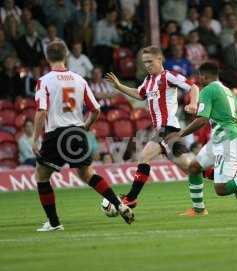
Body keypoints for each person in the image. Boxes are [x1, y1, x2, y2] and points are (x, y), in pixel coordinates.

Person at [33, 41, 133, 231]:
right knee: (87, 174)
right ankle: (119, 204)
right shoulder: (79, 79)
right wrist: (84, 127)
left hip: (56, 133)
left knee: (42, 176)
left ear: (47, 58)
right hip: (76, 132)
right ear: (66, 56)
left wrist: (35, 139)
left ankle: (54, 223)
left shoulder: (44, 81)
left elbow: (41, 112)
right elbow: (96, 110)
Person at [166, 62, 237, 216]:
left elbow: (202, 120)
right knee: (194, 168)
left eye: (199, 75)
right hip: (220, 141)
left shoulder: (208, 90)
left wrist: (180, 134)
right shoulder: (228, 92)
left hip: (230, 142)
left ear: (206, 76)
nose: (198, 78)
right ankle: (199, 209)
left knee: (221, 189)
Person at [105, 45, 199, 209]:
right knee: (184, 166)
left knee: (153, 159)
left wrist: (192, 102)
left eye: (149, 61)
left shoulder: (168, 76)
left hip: (169, 129)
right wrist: (119, 86)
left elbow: (193, 87)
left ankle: (131, 198)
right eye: (144, 62)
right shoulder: (148, 81)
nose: (146, 65)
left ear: (159, 59)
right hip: (162, 130)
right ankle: (225, 178)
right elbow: (139, 94)